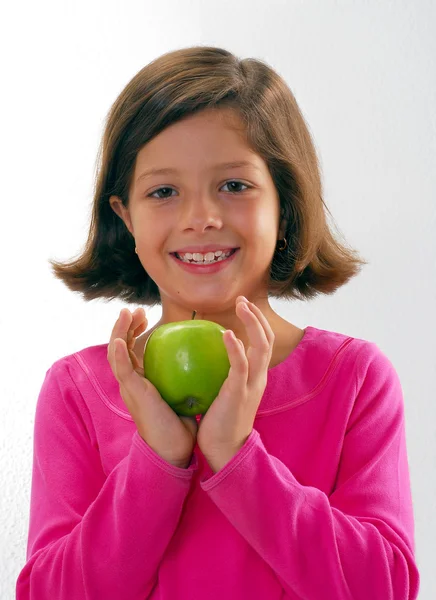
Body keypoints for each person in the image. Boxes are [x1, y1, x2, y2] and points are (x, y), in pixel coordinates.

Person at [16, 45, 420, 599]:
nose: (201, 218)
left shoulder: (355, 380)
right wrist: (158, 461)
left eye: (234, 185)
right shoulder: (77, 391)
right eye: (163, 192)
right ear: (125, 218)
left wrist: (236, 456)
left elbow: (383, 588)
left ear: (286, 206)